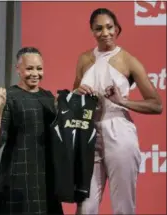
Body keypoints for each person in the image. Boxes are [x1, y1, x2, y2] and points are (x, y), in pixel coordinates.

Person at [73, 8, 163, 215]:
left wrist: (122, 101)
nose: (105, 32)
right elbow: (73, 98)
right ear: (92, 32)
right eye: (98, 28)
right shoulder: (84, 59)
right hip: (89, 133)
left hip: (120, 131)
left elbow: (156, 105)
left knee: (123, 205)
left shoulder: (129, 60)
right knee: (85, 207)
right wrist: (77, 92)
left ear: (117, 29)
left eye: (109, 27)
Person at [0, 47, 63, 215]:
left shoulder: (49, 98)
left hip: (46, 177)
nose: (35, 73)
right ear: (18, 69)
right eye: (29, 68)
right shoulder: (9, 96)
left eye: (39, 68)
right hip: (18, 178)